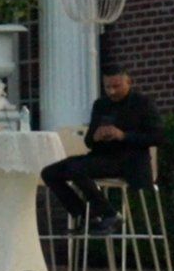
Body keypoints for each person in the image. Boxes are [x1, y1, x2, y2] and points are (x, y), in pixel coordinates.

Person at [41, 67, 161, 199]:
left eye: (116, 86)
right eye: (107, 87)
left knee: (76, 170)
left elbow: (157, 137)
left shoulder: (143, 103)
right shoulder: (101, 105)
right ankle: (85, 209)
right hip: (102, 157)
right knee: (49, 173)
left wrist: (123, 136)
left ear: (129, 82)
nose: (112, 91)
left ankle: (102, 210)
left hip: (129, 160)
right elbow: (88, 141)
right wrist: (95, 137)